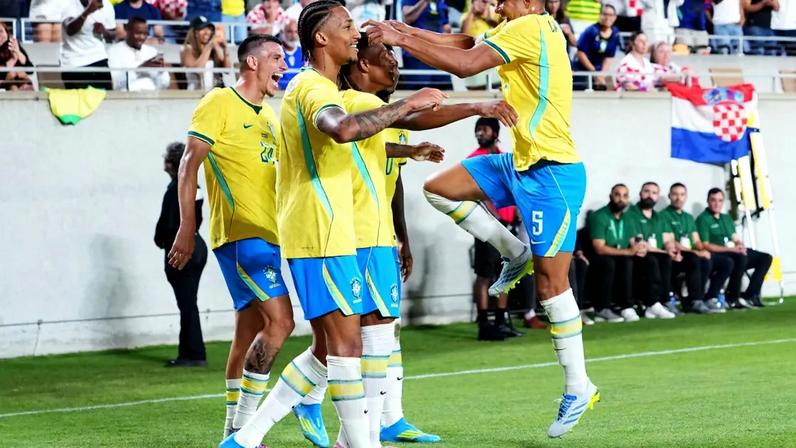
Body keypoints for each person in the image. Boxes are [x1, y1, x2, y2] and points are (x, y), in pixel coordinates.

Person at [365, 0, 600, 436]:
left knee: (552, 287)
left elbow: (465, 65)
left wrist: (401, 39)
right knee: (438, 187)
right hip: (521, 164)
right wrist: (408, 31)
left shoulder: (530, 27)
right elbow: (466, 42)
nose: (494, 4)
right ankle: (513, 251)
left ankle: (578, 386)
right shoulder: (521, 25)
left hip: (553, 174)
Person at [219, 2, 445, 447]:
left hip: (338, 234)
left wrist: (410, 146)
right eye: (347, 25)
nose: (355, 33)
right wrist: (409, 104)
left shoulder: (326, 89)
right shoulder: (310, 86)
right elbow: (341, 129)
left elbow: (362, 140)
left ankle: (246, 439)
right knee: (345, 350)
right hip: (318, 234)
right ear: (321, 37)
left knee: (339, 349)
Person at [290, 32, 516, 448]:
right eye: (386, 55)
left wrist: (402, 235)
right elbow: (401, 120)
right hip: (349, 236)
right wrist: (476, 106)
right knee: (344, 342)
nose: (395, 63)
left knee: (377, 334)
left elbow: (391, 179)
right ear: (362, 64)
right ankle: (290, 414)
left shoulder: (377, 112)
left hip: (377, 235)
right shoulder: (351, 101)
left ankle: (379, 423)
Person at [168, 34, 294, 443]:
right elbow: (188, 165)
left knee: (248, 332)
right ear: (252, 62)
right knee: (282, 322)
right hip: (242, 234)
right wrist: (187, 227)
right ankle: (244, 430)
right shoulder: (219, 101)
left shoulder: (270, 115)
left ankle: (230, 430)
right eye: (276, 57)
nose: (284, 65)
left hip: (269, 236)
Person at [465, 117, 524, 341]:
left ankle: (501, 320)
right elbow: (474, 194)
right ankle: (484, 324)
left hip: (508, 226)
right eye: (477, 129)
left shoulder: (504, 158)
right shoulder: (473, 160)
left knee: (505, 273)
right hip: (486, 227)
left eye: (484, 129)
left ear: (495, 133)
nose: (480, 133)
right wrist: (494, 216)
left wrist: (516, 211)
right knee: (484, 274)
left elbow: (514, 187)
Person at [155, 142, 208, 367]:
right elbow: (198, 218)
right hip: (198, 247)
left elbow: (166, 227)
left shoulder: (174, 190)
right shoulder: (195, 187)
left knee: (187, 305)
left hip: (181, 253)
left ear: (169, 164)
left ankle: (193, 354)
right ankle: (190, 352)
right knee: (189, 303)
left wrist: (160, 241)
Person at [696, 188, 772, 309]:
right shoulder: (703, 219)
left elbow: (735, 237)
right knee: (740, 258)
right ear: (708, 201)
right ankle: (732, 297)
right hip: (718, 254)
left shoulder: (726, 218)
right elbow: (705, 245)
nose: (717, 204)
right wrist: (733, 250)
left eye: (720, 200)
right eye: (713, 200)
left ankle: (750, 295)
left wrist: (740, 245)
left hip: (733, 251)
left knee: (765, 258)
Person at [587, 184, 644, 323]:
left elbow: (633, 241)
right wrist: (628, 252)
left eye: (625, 196)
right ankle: (602, 308)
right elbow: (599, 248)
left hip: (620, 255)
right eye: (617, 195)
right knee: (610, 262)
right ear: (610, 196)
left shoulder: (628, 217)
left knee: (644, 260)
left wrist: (639, 249)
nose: (621, 199)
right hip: (600, 256)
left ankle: (630, 306)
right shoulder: (599, 215)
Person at [623, 182, 678, 319]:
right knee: (652, 260)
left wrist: (670, 249)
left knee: (666, 259)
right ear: (640, 194)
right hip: (638, 255)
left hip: (656, 254)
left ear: (658, 196)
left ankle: (662, 301)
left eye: (654, 193)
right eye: (646, 191)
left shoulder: (659, 217)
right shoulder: (631, 215)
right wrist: (663, 251)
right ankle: (652, 303)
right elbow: (638, 244)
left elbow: (668, 239)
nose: (650, 195)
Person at [658, 183, 714, 314]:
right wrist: (696, 253)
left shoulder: (688, 217)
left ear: (686, 197)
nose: (679, 198)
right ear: (669, 196)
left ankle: (698, 299)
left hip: (689, 254)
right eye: (675, 194)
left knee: (707, 260)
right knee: (694, 259)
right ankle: (694, 300)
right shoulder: (663, 215)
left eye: (682, 194)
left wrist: (702, 250)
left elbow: (697, 241)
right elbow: (671, 241)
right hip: (675, 255)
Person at [60, 0, 116, 89]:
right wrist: (88, 11)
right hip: (74, 62)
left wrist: (104, 31)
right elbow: (70, 30)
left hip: (99, 59)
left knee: (105, 96)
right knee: (79, 98)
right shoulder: (68, 3)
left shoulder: (107, 5)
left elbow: (112, 35)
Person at [399, 0, 453, 90]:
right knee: (419, 91)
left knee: (445, 89)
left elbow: (445, 26)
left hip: (437, 55)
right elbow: (407, 18)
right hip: (416, 55)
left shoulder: (441, 2)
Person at [108, 17, 171, 91]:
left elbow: (165, 84)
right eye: (138, 33)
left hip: (152, 95)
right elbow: (115, 82)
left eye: (145, 34)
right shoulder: (114, 51)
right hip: (127, 96)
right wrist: (139, 70)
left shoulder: (152, 52)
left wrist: (161, 72)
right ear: (128, 31)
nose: (142, 37)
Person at [572, 4, 620, 91]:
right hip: (582, 70)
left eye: (610, 15)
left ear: (615, 17)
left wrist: (601, 75)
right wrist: (594, 73)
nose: (607, 18)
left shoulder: (615, 33)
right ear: (600, 15)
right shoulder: (591, 31)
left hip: (599, 72)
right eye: (605, 14)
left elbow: (609, 56)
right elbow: (580, 53)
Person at [180, 16, 231, 91]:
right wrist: (209, 47)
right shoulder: (188, 48)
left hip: (214, 92)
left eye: (209, 29)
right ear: (194, 32)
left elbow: (227, 70)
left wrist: (225, 48)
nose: (207, 32)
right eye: (202, 29)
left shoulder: (214, 48)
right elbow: (197, 70)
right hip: (196, 92)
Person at [461, 0, 501, 89]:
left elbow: (502, 30)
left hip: (490, 52)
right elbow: (464, 35)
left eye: (485, 2)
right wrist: (472, 12)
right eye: (481, 1)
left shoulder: (492, 17)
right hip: (474, 51)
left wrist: (486, 17)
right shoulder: (467, 16)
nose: (483, 4)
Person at [0, 22, 34, 91]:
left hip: (21, 81)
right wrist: (13, 59)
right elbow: (1, 75)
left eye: (1, 31)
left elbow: (30, 70)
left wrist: (18, 52)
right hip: (5, 83)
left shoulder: (13, 44)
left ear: (6, 32)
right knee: (12, 79)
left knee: (20, 75)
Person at [278, 19, 302, 89]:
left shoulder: (305, 54)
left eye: (296, 32)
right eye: (289, 31)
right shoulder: (275, 53)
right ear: (282, 33)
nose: (293, 35)